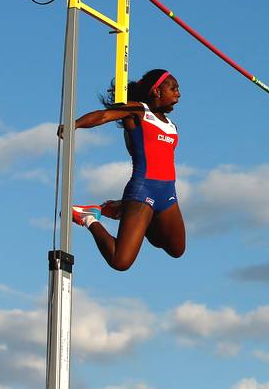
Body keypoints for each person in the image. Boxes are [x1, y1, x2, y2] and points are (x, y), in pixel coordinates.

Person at [62, 68, 186, 271]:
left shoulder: (172, 125)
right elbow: (103, 116)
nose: (178, 94)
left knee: (176, 248)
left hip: (168, 193)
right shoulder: (138, 112)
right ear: (157, 91)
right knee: (120, 261)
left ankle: (123, 209)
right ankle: (88, 217)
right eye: (174, 88)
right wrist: (73, 125)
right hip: (143, 190)